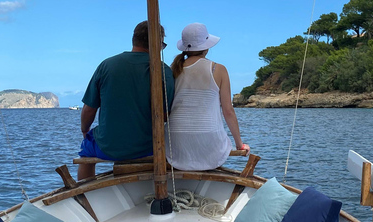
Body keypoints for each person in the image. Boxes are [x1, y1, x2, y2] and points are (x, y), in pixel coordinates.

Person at [78, 21, 175, 180]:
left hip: (108, 147)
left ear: (134, 39)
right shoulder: (163, 71)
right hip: (149, 147)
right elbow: (165, 115)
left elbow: (89, 108)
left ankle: (84, 194)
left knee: (86, 154)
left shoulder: (107, 65)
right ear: (158, 44)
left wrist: (84, 130)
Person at [165, 23, 249, 171]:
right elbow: (228, 111)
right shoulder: (218, 69)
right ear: (206, 46)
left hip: (175, 142)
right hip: (208, 140)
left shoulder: (173, 69)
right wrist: (239, 144)